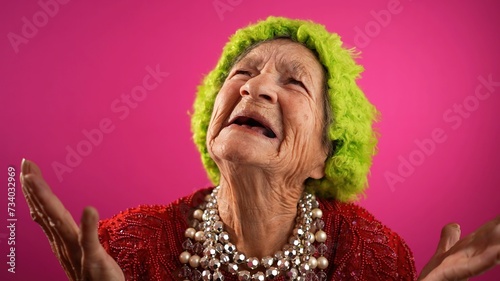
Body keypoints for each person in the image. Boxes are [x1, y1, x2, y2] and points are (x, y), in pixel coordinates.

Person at [20, 17, 499, 281]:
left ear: (325, 154)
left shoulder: (374, 258)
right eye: (241, 74)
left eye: (295, 83)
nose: (256, 89)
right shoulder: (125, 248)